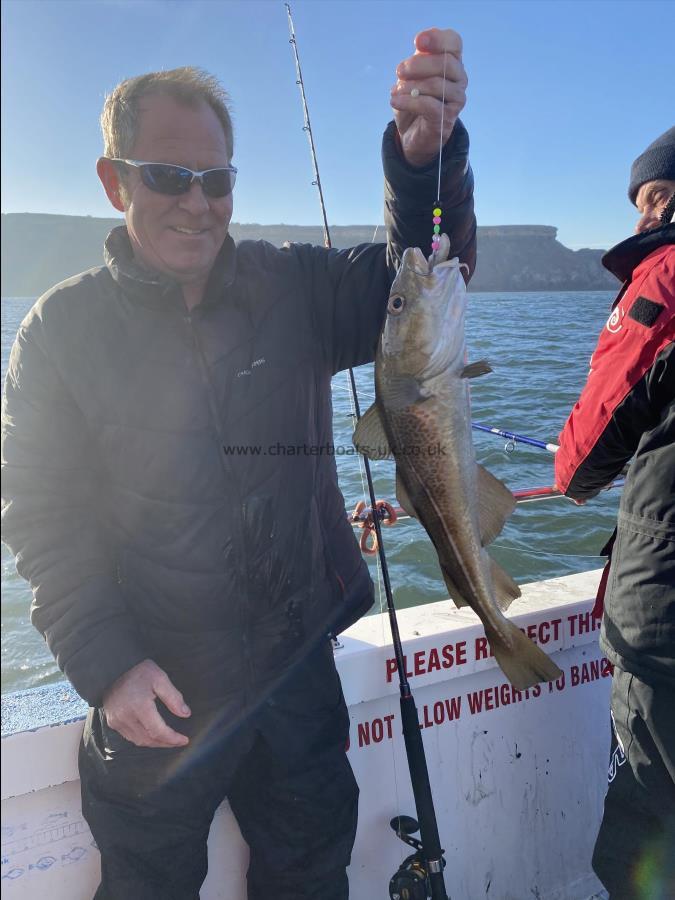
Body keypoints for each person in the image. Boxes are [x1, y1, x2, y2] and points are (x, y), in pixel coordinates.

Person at [1, 28, 476, 900]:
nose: (196, 203)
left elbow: (421, 281)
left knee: (309, 872)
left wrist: (423, 163)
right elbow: (40, 516)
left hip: (296, 665)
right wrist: (106, 664)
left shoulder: (291, 286)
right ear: (114, 182)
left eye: (215, 180)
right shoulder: (59, 333)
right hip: (157, 681)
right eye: (167, 177)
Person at [555, 126, 674, 900]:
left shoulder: (662, 275)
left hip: (665, 623)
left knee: (648, 833)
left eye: (656, 198)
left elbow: (586, 454)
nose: (643, 221)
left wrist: (567, 468)